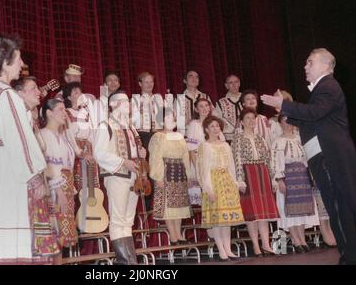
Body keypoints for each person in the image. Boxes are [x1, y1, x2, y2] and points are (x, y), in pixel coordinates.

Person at [261, 48, 356, 264]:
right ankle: (348, 255)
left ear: (325, 65)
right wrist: (284, 110)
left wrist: (283, 104)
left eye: (310, 62)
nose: (305, 66)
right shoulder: (321, 90)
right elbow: (311, 119)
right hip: (324, 156)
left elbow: (313, 113)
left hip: (331, 156)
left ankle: (350, 257)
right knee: (336, 208)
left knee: (340, 208)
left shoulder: (328, 86)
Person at [0, 35, 58, 264]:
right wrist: (36, 176)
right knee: (17, 234)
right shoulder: (7, 95)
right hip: (12, 168)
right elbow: (19, 137)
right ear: (4, 63)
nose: (21, 64)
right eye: (18, 59)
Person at [93, 90, 146, 265]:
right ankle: (125, 261)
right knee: (117, 219)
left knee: (128, 220)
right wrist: (124, 162)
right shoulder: (105, 125)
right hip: (116, 175)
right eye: (124, 102)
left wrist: (141, 153)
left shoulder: (130, 127)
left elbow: (134, 149)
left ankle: (131, 261)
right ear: (113, 105)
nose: (128, 105)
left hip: (134, 177)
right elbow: (99, 153)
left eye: (128, 101)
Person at [231, 108, 279, 256]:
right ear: (242, 122)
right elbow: (237, 159)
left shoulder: (260, 138)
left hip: (262, 173)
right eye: (248, 119)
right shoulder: (237, 139)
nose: (251, 121)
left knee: (263, 212)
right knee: (252, 213)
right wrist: (240, 179)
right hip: (248, 174)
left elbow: (267, 159)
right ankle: (256, 246)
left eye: (253, 118)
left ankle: (266, 244)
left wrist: (272, 178)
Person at [196, 116, 244, 260]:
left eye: (217, 126)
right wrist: (208, 188)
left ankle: (228, 249)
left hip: (226, 181)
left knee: (226, 219)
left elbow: (231, 166)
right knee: (217, 219)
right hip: (213, 181)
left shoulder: (225, 145)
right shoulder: (204, 146)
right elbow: (203, 169)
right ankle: (221, 250)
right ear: (206, 129)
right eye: (212, 126)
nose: (215, 129)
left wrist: (235, 183)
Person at [270, 114, 319, 253]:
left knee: (302, 209)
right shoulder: (277, 141)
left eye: (290, 121)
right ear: (280, 124)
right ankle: (296, 240)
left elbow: (308, 158)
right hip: (288, 177)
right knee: (290, 210)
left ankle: (302, 239)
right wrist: (279, 179)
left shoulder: (299, 139)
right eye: (284, 122)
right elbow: (274, 163)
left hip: (302, 176)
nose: (287, 124)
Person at [40, 98, 78, 264]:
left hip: (66, 187)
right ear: (49, 113)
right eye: (61, 110)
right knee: (53, 233)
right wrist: (60, 192)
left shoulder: (63, 137)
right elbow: (48, 167)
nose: (65, 113)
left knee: (61, 237)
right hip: (54, 190)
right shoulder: (43, 135)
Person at [148, 111, 192, 245]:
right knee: (168, 206)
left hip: (180, 172)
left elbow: (185, 155)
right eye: (167, 117)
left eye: (172, 116)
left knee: (178, 206)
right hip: (166, 172)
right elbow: (155, 157)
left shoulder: (179, 136)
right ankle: (173, 236)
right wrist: (158, 177)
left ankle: (179, 235)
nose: (171, 119)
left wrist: (188, 174)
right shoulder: (158, 136)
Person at [181, 70, 213, 136]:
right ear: (185, 80)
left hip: (206, 133)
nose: (194, 79)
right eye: (191, 76)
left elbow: (213, 113)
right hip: (188, 134)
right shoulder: (180, 99)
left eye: (196, 77)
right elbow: (178, 122)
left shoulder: (205, 96)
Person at [214, 75, 243, 143]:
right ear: (226, 86)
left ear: (239, 84)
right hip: (228, 139)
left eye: (236, 82)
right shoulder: (221, 102)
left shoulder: (246, 98)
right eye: (231, 83)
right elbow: (217, 121)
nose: (234, 85)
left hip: (246, 137)